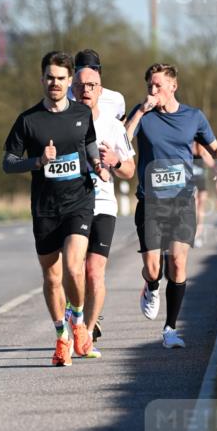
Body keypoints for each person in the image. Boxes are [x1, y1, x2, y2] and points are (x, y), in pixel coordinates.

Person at [2, 51, 108, 366]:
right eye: (50, 77)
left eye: (61, 78)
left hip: (79, 200)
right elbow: (7, 163)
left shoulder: (81, 113)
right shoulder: (28, 120)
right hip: (45, 208)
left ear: (70, 80)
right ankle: (61, 335)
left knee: (75, 268)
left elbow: (87, 143)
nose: (55, 83)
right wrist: (38, 161)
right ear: (42, 79)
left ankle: (77, 320)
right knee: (51, 277)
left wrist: (97, 163)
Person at [125, 63, 217, 348]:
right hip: (150, 202)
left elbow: (215, 148)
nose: (152, 90)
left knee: (177, 261)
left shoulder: (194, 117)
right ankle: (150, 285)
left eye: (158, 85)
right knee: (153, 268)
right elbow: (122, 140)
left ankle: (170, 328)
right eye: (149, 85)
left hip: (183, 201)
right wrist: (139, 111)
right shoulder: (143, 115)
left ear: (173, 86)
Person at [69, 54, 135, 348]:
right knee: (75, 271)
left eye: (92, 85)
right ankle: (77, 317)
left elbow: (130, 170)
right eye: (82, 85)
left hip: (104, 205)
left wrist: (116, 162)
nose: (87, 90)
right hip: (70, 205)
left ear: (100, 87)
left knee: (94, 271)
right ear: (73, 86)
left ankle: (87, 330)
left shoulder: (112, 123)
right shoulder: (63, 122)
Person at [191, 140, 215, 247]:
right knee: (194, 207)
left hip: (201, 182)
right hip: (191, 182)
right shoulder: (187, 148)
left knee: (201, 208)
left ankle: (198, 235)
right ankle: (193, 233)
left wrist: (204, 155)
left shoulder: (202, 150)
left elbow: (212, 163)